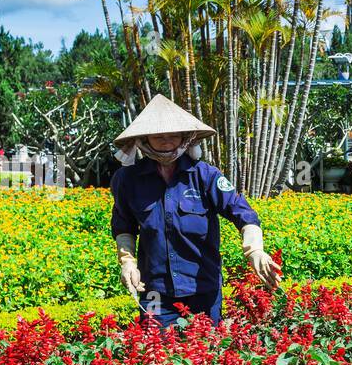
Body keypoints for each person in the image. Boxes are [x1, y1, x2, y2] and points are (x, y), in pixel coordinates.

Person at [110, 94, 281, 329]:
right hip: (155, 291)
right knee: (155, 356)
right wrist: (127, 263)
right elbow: (124, 226)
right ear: (144, 138)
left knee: (207, 355)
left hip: (203, 289)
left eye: (172, 134)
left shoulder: (206, 176)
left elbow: (243, 214)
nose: (166, 140)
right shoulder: (127, 180)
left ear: (185, 137)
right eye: (158, 135)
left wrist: (255, 251)